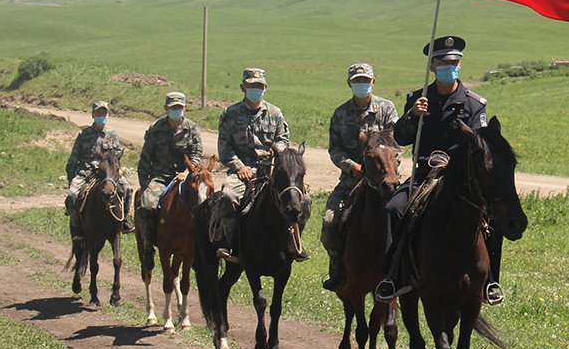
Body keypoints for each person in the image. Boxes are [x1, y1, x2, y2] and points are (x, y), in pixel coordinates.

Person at [374, 35, 506, 306]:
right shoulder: (417, 99)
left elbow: (481, 144)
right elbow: (400, 137)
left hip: (463, 180)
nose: (449, 67)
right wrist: (413, 115)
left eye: (454, 62)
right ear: (432, 66)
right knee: (393, 209)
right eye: (443, 63)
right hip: (425, 174)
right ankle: (393, 276)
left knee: (494, 218)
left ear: (460, 64)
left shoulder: (474, 104)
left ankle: (490, 280)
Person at [320, 62, 399, 291]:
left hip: (386, 181)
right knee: (330, 221)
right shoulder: (340, 114)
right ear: (349, 84)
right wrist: (352, 166)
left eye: (365, 80)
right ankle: (338, 268)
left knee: (407, 218)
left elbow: (397, 144)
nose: (362, 84)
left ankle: (404, 271)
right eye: (357, 81)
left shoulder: (387, 108)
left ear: (373, 82)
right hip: (352, 180)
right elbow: (334, 149)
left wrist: (386, 170)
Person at [212, 67, 301, 263]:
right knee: (228, 197)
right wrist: (239, 167)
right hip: (242, 171)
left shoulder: (275, 113)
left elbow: (284, 140)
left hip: (271, 170)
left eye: (260, 86)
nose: (256, 89)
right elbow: (224, 146)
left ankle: (294, 242)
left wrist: (276, 150)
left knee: (304, 201)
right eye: (251, 85)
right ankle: (231, 244)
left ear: (265, 88)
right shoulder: (230, 113)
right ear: (243, 87)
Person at [135, 91, 204, 271]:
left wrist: (186, 172)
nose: (176, 110)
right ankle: (148, 247)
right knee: (146, 205)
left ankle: (200, 247)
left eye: (180, 107)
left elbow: (197, 155)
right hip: (160, 177)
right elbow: (145, 157)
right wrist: (144, 184)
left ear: (185, 108)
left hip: (184, 177)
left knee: (203, 204)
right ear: (166, 108)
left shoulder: (192, 128)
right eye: (173, 107)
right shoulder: (156, 128)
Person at [65, 101, 133, 241]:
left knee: (128, 189)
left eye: (104, 113)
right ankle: (77, 226)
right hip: (86, 172)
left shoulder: (112, 135)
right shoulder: (83, 134)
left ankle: (124, 221)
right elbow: (73, 160)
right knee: (72, 195)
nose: (101, 115)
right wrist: (71, 179)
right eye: (98, 113)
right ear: (93, 114)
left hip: (108, 174)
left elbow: (116, 158)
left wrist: (117, 171)